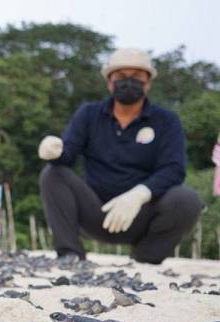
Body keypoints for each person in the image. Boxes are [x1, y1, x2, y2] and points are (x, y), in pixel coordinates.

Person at [37, 48, 204, 264]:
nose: (129, 82)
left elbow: (174, 169)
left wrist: (140, 194)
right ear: (109, 82)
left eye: (136, 77)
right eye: (121, 77)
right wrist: (54, 151)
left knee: (187, 200)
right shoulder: (89, 114)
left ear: (148, 82)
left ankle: (147, 258)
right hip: (96, 211)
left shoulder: (167, 121)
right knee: (53, 173)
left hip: (142, 215)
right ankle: (69, 254)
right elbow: (67, 156)